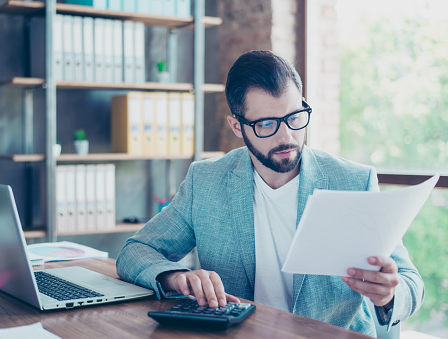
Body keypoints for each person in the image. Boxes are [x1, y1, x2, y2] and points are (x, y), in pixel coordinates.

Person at [116, 50, 424, 336]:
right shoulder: (206, 181)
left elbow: (411, 282)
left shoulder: (352, 181)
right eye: (266, 123)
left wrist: (389, 294)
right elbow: (135, 251)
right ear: (237, 126)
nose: (286, 136)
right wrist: (175, 277)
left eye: (294, 117)